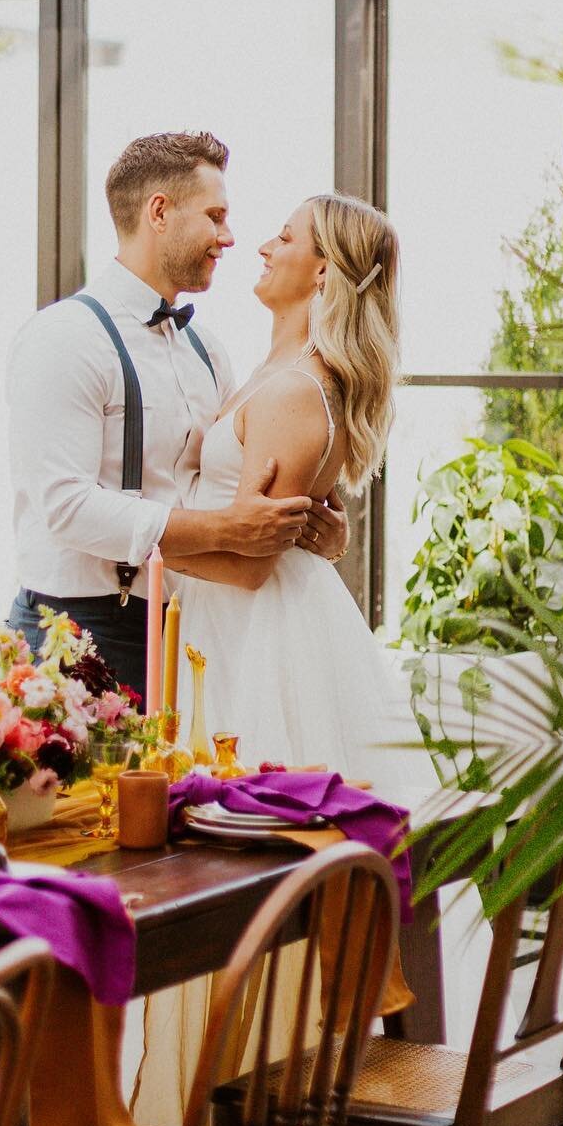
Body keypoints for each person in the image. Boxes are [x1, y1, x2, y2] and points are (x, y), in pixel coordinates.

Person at [5, 132, 348, 694]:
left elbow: (228, 484)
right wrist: (226, 530)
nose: (230, 237)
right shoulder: (64, 337)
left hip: (192, 630)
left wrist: (314, 533)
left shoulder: (207, 350)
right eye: (215, 216)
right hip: (75, 635)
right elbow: (64, 506)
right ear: (159, 212)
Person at [163, 191, 411, 785]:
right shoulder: (272, 373)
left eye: (285, 237)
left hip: (255, 629)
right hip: (229, 616)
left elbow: (251, 563)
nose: (264, 247)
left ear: (323, 270)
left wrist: (127, 544)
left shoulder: (296, 389)